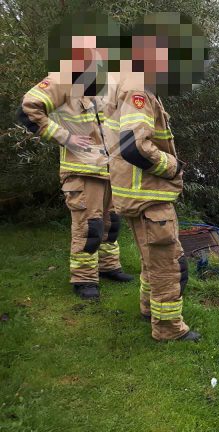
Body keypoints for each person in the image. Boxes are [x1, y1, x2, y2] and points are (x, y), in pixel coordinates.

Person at [103, 13, 207, 341]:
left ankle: (149, 308)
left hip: (136, 191)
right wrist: (171, 166)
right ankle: (168, 328)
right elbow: (134, 147)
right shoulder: (137, 87)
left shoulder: (124, 78)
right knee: (167, 264)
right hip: (148, 194)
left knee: (152, 259)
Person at [18, 13, 133, 300]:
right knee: (89, 226)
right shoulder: (64, 76)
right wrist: (64, 137)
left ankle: (109, 266)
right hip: (81, 169)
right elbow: (29, 108)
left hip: (109, 169)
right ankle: (84, 278)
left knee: (111, 224)